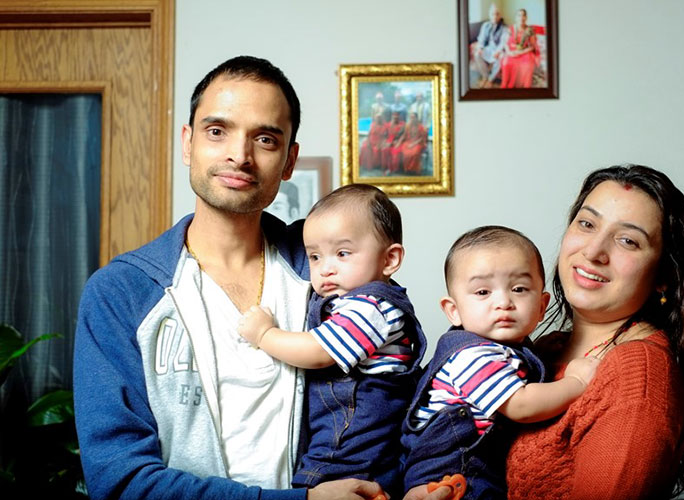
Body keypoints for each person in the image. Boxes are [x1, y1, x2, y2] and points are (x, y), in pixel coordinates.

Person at [73, 55, 386, 500]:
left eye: (264, 138)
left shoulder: (332, 273)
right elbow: (119, 479)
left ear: (289, 159)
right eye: (217, 131)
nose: (239, 155)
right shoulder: (120, 292)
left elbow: (389, 393)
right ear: (188, 143)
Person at [505, 165, 684, 499]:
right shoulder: (547, 348)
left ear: (664, 276)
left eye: (628, 241)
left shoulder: (639, 375)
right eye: (587, 224)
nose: (593, 252)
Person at [239, 183, 426, 498]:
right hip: (341, 438)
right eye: (314, 256)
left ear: (390, 259)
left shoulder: (374, 308)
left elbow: (317, 351)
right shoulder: (348, 301)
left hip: (356, 449)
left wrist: (264, 334)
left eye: (343, 253)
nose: (325, 268)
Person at [401, 226, 599, 499]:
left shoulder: (500, 350)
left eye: (519, 288)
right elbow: (521, 405)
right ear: (453, 310)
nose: (503, 302)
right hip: (454, 481)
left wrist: (538, 352)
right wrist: (576, 383)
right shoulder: (472, 357)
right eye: (483, 292)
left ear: (542, 307)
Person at [499, 9, 539, 89]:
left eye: (523, 15)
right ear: (516, 18)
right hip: (512, 51)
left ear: (526, 17)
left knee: (528, 64)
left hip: (525, 52)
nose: (521, 17)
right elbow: (506, 43)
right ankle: (506, 85)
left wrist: (520, 52)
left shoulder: (530, 30)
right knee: (506, 62)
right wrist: (509, 52)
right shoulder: (510, 28)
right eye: (519, 15)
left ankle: (523, 88)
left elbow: (532, 46)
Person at [471, 3, 507, 88]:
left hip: (498, 49)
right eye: (493, 14)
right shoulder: (485, 25)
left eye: (497, 14)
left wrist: (498, 51)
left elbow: (503, 42)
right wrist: (480, 47)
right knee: (477, 54)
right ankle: (485, 76)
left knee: (501, 57)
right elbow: (481, 39)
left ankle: (491, 79)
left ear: (500, 15)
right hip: (488, 48)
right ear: (490, 15)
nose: (495, 16)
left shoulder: (504, 28)